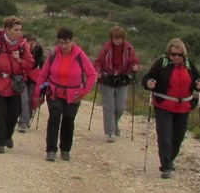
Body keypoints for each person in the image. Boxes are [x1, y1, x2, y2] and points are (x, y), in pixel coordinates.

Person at [142, 38, 200, 179]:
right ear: (168, 53)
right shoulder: (161, 63)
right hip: (163, 105)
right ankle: (165, 166)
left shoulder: (189, 65)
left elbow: (198, 80)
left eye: (179, 54)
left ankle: (169, 159)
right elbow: (146, 78)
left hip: (183, 107)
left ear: (184, 54)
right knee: (164, 135)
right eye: (173, 54)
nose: (176, 57)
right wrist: (149, 83)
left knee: (178, 137)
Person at [33, 27, 97, 162]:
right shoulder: (52, 55)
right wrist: (38, 94)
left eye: (66, 42)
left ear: (72, 41)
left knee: (68, 120)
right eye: (61, 42)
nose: (63, 46)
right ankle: (51, 150)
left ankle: (65, 149)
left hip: (73, 94)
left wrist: (83, 92)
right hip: (54, 92)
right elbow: (43, 75)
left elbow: (92, 75)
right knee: (54, 117)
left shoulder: (80, 55)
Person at [0, 16, 34, 154]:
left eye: (20, 30)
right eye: (16, 30)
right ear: (7, 30)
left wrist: (20, 60)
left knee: (14, 113)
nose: (19, 33)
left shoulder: (23, 46)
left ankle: (8, 136)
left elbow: (30, 64)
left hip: (14, 86)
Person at [93, 25, 141, 143]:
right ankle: (110, 132)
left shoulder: (129, 48)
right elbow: (98, 62)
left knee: (120, 107)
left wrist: (135, 67)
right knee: (109, 106)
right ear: (112, 38)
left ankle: (114, 124)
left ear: (123, 38)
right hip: (107, 78)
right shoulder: (106, 48)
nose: (117, 40)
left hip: (122, 78)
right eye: (115, 38)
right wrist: (97, 71)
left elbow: (134, 61)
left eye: (119, 38)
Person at [17, 33, 44, 131]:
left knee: (32, 100)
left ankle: (26, 121)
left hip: (33, 78)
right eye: (29, 43)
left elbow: (35, 64)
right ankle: (22, 123)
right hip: (23, 77)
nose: (31, 45)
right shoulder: (21, 49)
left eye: (32, 43)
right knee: (24, 99)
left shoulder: (39, 50)